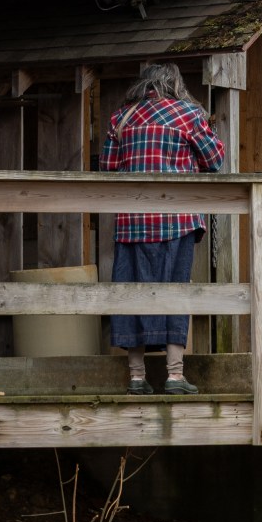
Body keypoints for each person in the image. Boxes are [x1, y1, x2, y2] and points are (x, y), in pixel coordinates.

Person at [99, 62, 224, 395]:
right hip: (176, 219)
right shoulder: (188, 114)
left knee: (131, 295)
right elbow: (215, 161)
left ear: (145, 84)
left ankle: (137, 377)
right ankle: (174, 375)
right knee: (175, 291)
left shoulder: (121, 117)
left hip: (131, 221)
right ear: (175, 83)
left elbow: (107, 167)